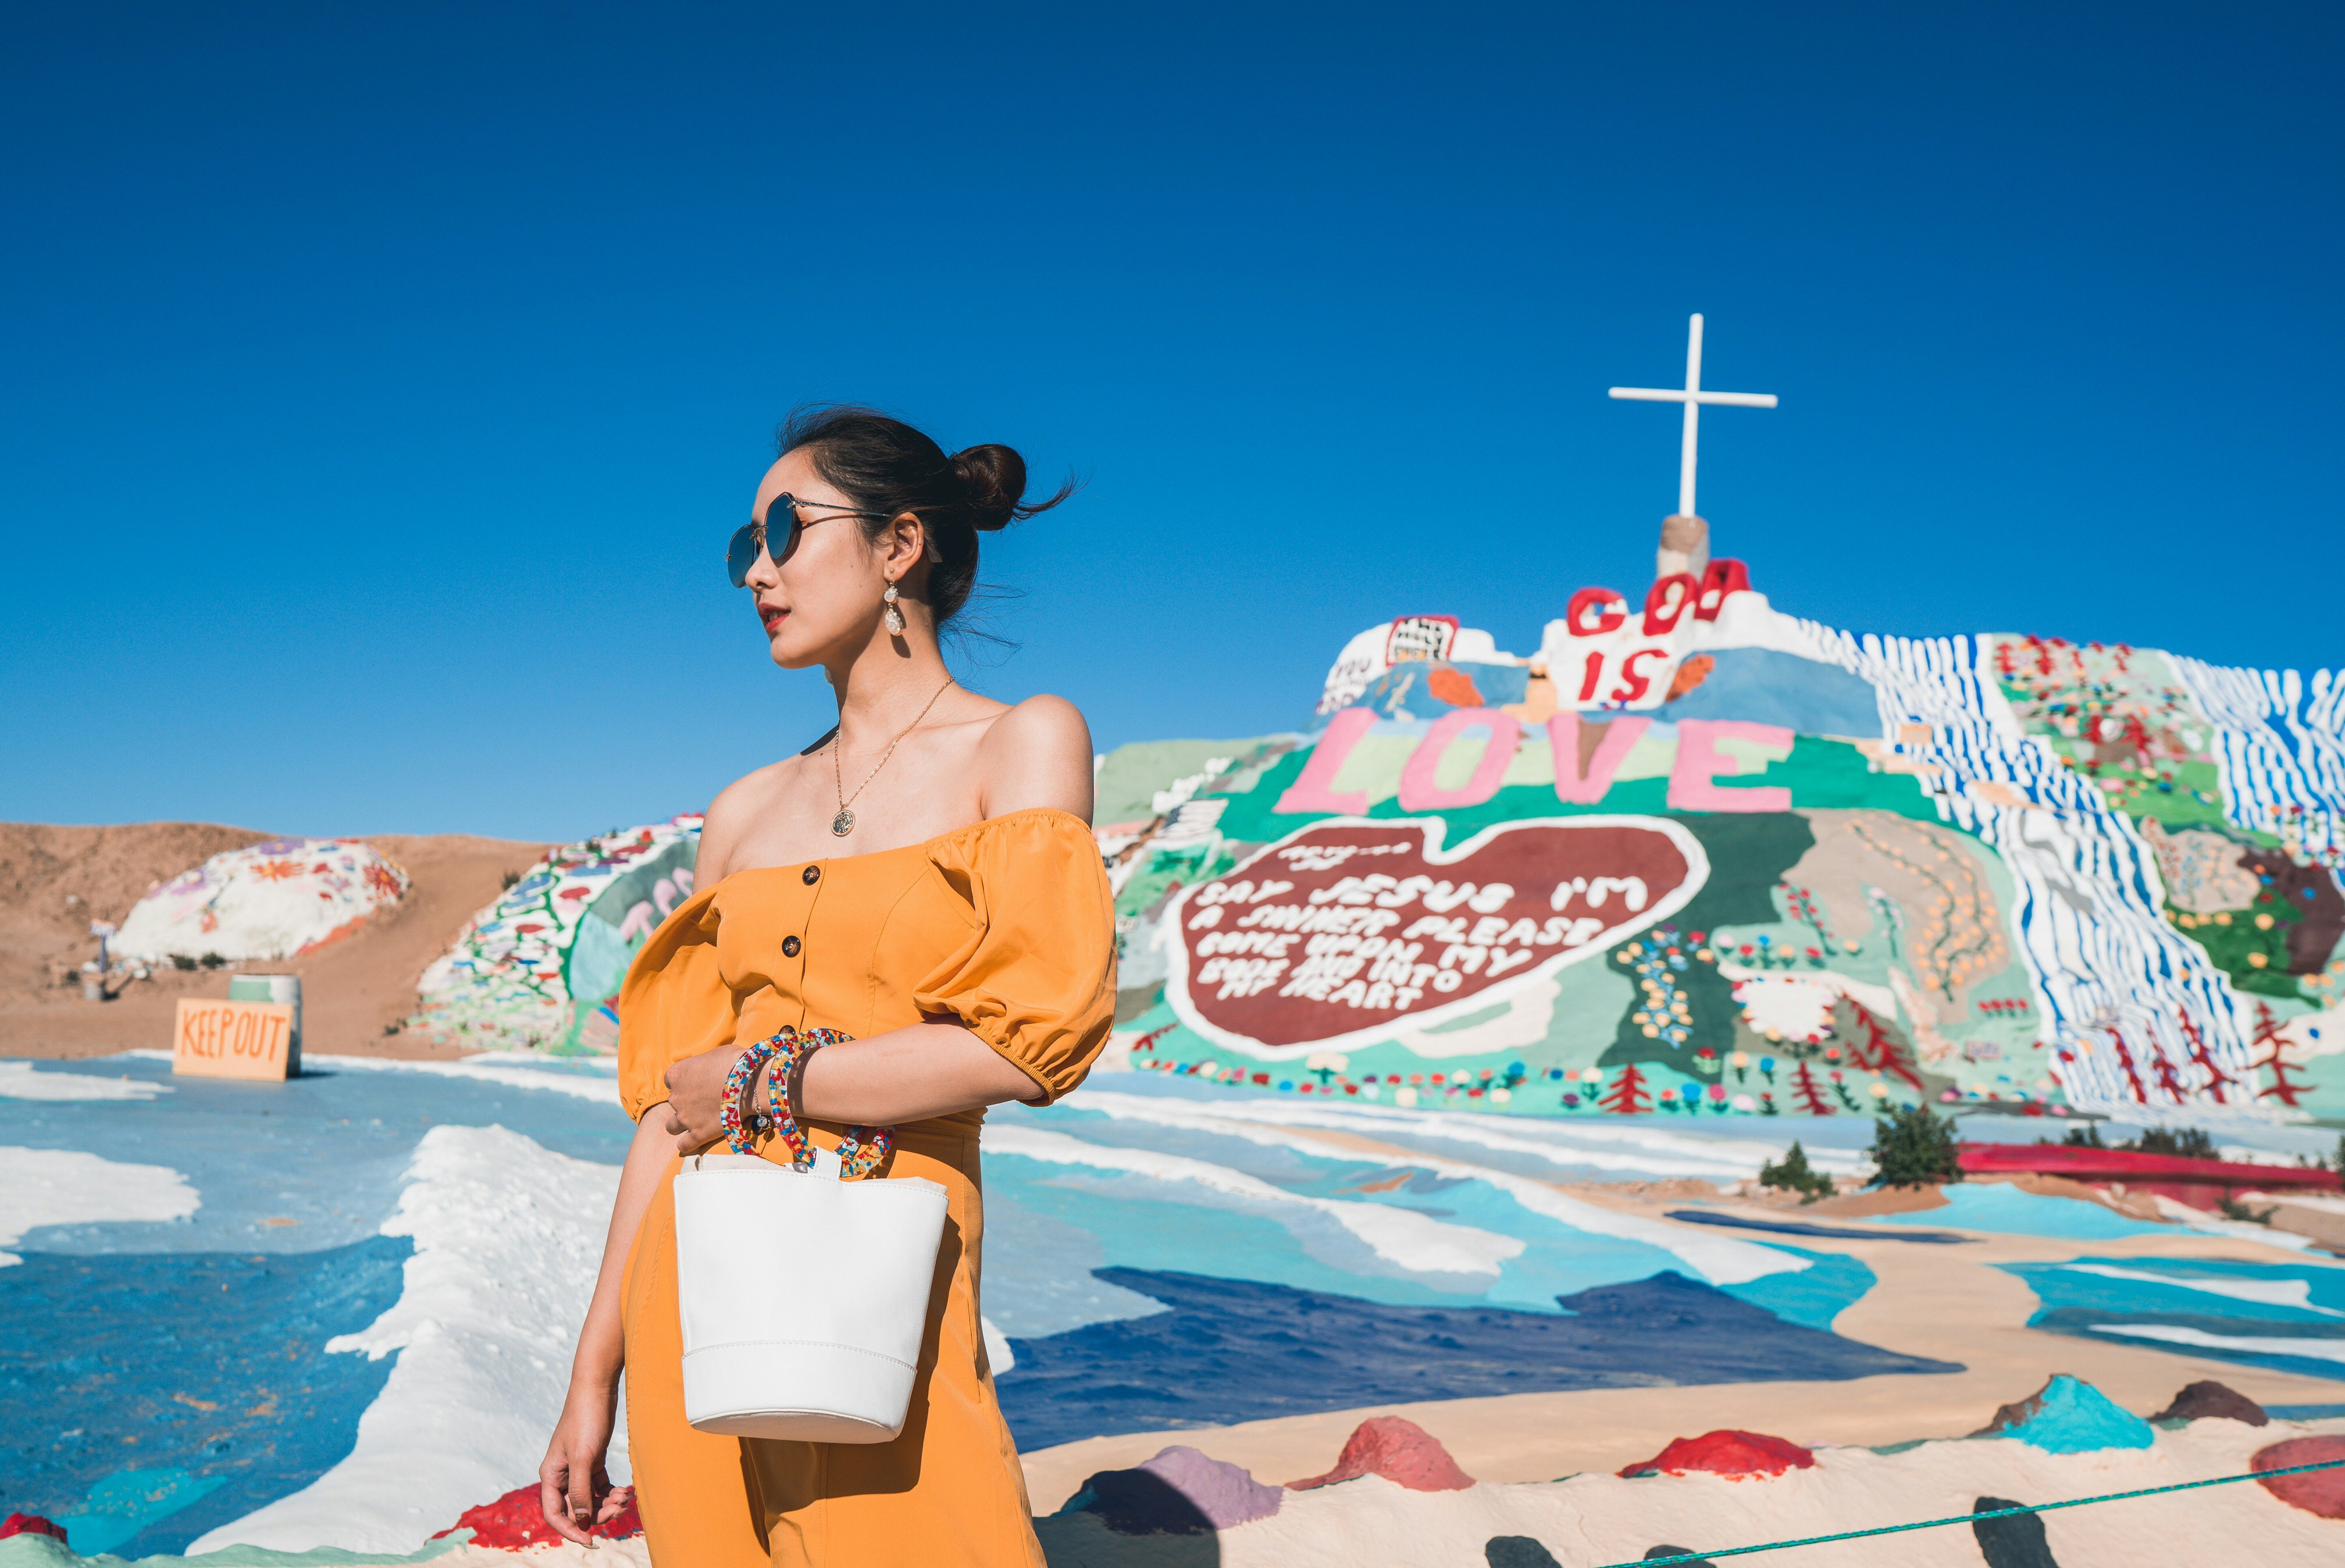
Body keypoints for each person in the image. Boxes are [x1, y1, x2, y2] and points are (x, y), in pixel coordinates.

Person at [537, 407, 1116, 1567]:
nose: (759, 568)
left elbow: (1035, 1041)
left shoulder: (1022, 743)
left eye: (789, 529)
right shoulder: (746, 808)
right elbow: (670, 1112)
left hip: (883, 1292)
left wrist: (765, 1079)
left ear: (900, 545)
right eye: (744, 543)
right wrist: (591, 1374)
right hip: (697, 1307)